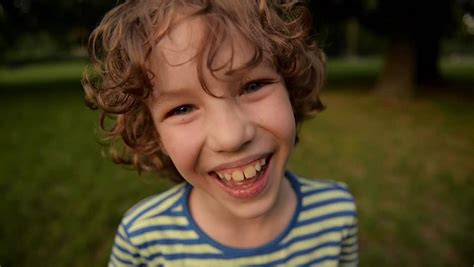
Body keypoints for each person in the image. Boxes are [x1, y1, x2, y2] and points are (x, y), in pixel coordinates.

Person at [83, 0, 358, 266]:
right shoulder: (143, 241)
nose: (231, 137)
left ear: (291, 88)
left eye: (253, 86)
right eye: (182, 109)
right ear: (155, 135)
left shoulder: (336, 215)